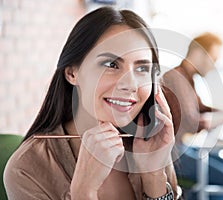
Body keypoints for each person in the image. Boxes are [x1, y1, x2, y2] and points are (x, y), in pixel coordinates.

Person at [4, 7, 180, 200]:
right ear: (72, 73)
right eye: (111, 64)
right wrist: (83, 191)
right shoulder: (26, 169)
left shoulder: (150, 146)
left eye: (142, 68)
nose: (130, 84)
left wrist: (153, 175)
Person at [162, 32, 223, 200]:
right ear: (198, 53)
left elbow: (202, 109)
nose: (215, 65)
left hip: (181, 147)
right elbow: (196, 122)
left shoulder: (186, 77)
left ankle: (193, 193)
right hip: (172, 154)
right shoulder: (176, 78)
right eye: (213, 58)